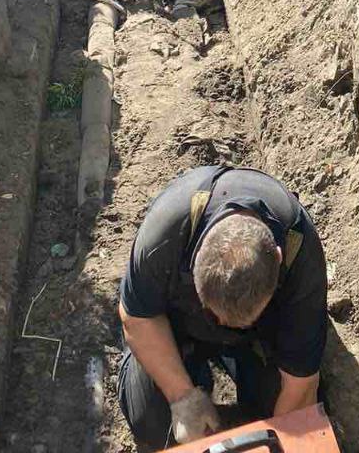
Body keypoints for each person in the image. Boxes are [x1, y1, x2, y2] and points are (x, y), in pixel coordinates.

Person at [117, 165, 328, 453]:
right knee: (154, 426)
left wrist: (276, 443)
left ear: (278, 259)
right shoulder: (165, 235)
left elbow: (300, 383)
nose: (224, 325)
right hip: (176, 327)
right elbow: (137, 319)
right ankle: (193, 375)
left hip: (259, 339)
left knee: (297, 420)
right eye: (217, 315)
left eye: (238, 321)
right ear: (195, 268)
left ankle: (245, 368)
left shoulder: (300, 253)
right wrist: (182, 397)